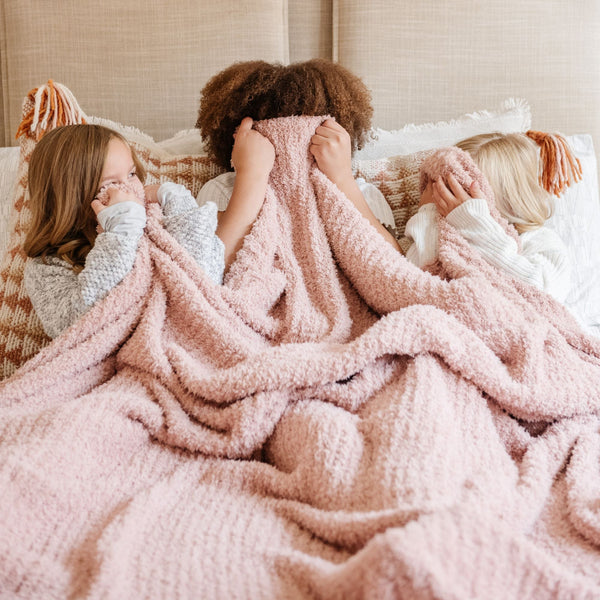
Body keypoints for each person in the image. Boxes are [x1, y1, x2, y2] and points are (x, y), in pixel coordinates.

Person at [23, 122, 272, 338]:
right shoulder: (47, 266)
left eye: (132, 174)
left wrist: (179, 205)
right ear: (69, 198)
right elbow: (78, 327)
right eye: (111, 183)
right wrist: (120, 234)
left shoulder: (155, 223)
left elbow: (204, 278)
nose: (130, 190)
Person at [195, 59, 399, 250]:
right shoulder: (224, 188)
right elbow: (210, 266)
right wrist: (251, 176)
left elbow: (394, 267)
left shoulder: (361, 191)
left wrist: (342, 179)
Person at [404, 131, 576, 303]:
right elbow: (417, 280)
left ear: (511, 200)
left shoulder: (541, 241)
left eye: (463, 192)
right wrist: (428, 215)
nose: (449, 200)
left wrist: (474, 222)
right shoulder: (449, 237)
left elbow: (540, 295)